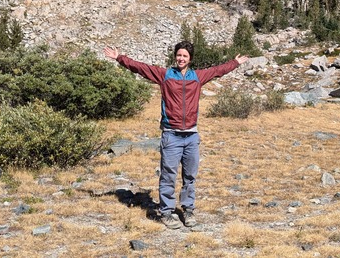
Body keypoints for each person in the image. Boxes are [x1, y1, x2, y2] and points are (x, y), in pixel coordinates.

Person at [103, 41, 248, 229]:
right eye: (179, 55)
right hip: (171, 134)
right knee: (168, 175)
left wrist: (235, 63)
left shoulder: (198, 77)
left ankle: (188, 210)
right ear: (175, 56)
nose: (181, 59)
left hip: (191, 136)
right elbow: (141, 68)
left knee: (190, 176)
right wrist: (120, 58)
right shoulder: (165, 75)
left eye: (185, 56)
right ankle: (166, 212)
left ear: (190, 59)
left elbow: (218, 70)